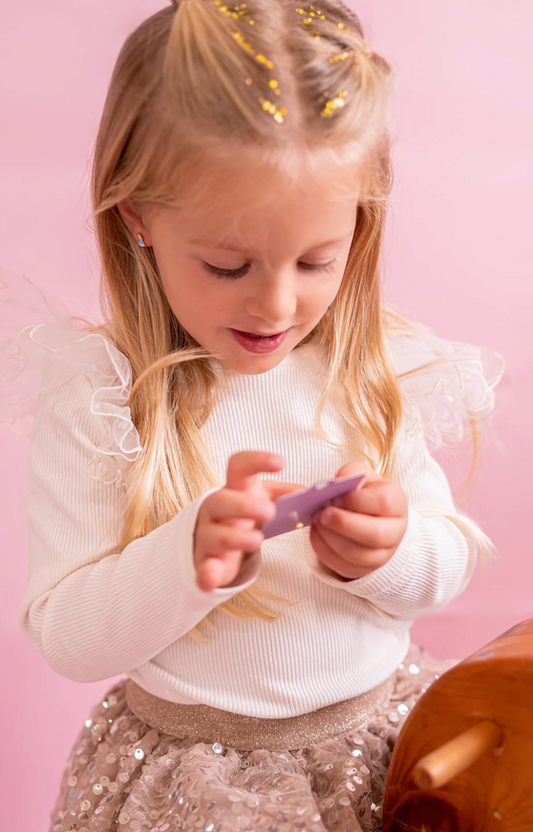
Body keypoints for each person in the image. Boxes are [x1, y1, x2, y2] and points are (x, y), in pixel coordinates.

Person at [0, 1, 506, 830]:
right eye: (227, 265)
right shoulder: (101, 397)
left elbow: (447, 562)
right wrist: (188, 560)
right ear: (138, 216)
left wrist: (390, 551)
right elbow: (66, 634)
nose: (275, 304)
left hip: (376, 744)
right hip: (193, 780)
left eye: (316, 260)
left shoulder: (369, 368)